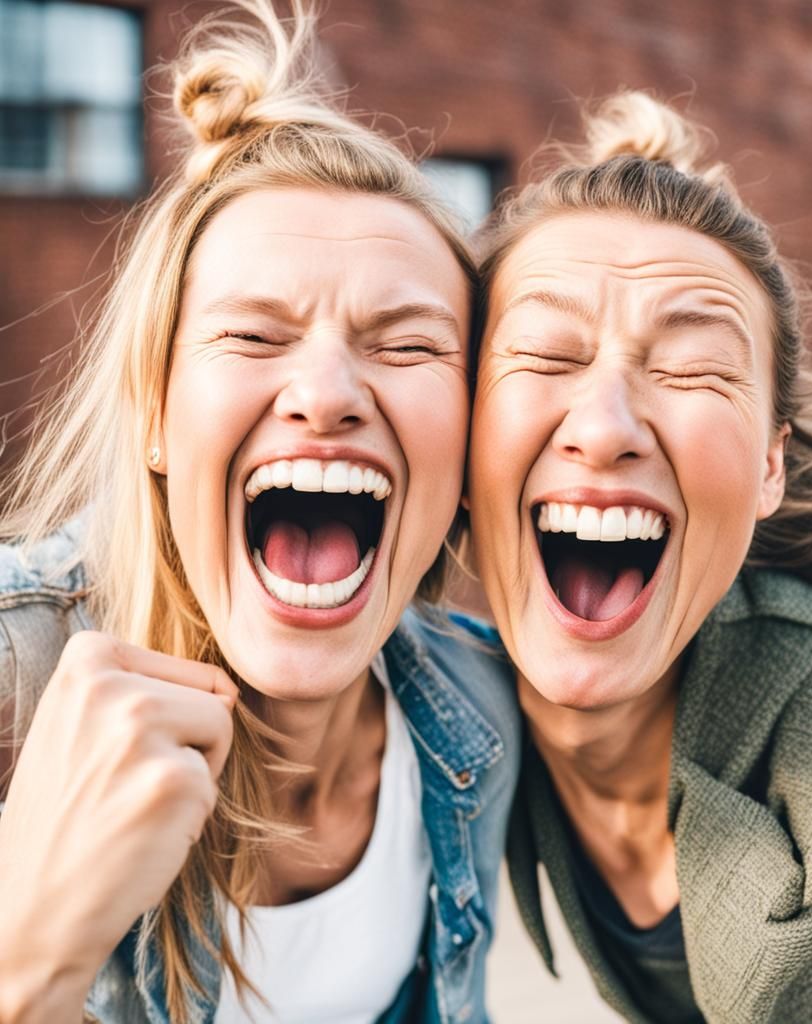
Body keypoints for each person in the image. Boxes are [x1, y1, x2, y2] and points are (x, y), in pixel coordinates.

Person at [0, 3, 517, 1022]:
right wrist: (24, 963)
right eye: (251, 335)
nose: (326, 393)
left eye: (407, 345)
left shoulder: (478, 711)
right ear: (155, 411)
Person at [466, 92, 812, 1023]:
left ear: (770, 465)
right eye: (546, 355)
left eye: (691, 371)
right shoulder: (427, 698)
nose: (604, 429)